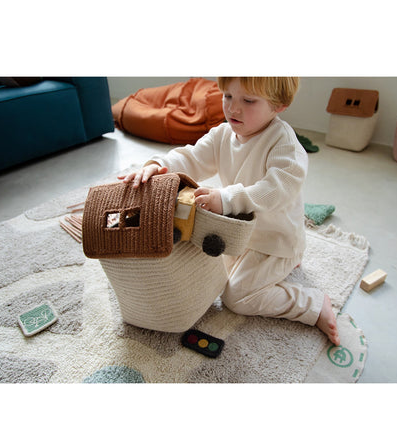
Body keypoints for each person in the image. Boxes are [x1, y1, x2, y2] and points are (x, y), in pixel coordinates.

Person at [118, 77, 340, 346]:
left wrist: (226, 200)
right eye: (228, 96)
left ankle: (313, 304)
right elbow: (191, 157)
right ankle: (273, 270)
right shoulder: (223, 135)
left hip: (275, 242)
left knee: (237, 298)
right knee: (202, 274)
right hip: (238, 235)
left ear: (279, 105)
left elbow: (275, 190)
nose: (234, 108)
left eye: (248, 100)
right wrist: (158, 165)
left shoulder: (285, 146)